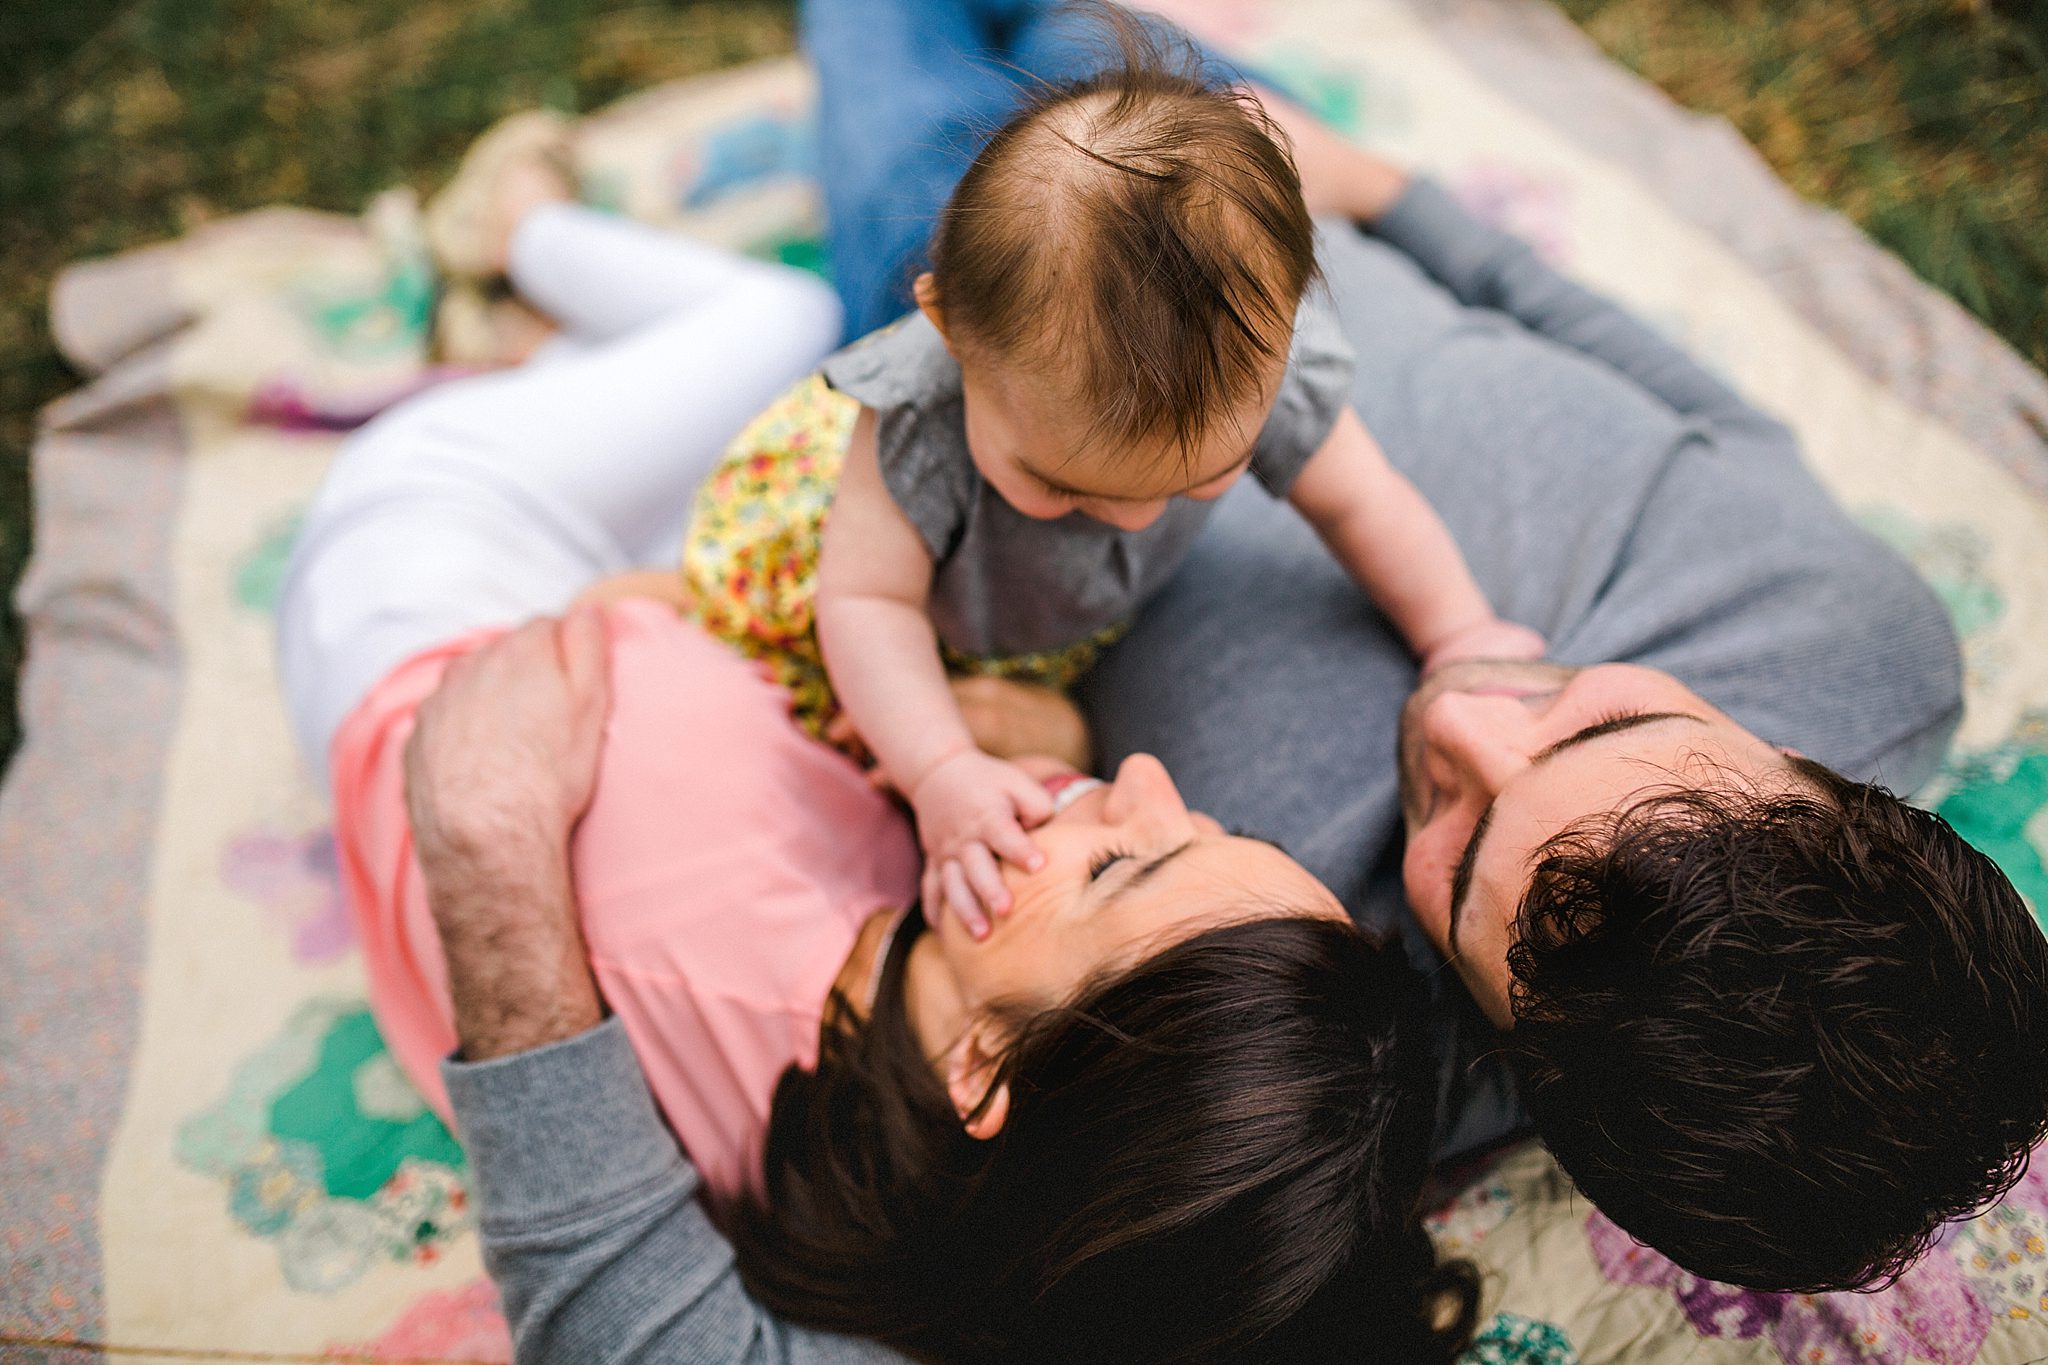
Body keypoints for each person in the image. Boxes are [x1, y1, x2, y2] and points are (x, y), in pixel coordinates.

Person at [380, 0, 2048, 1342]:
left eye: (1452, 849)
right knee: (1089, 45)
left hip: (1007, 348)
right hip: (1250, 202)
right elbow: (1644, 362)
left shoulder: (1280, 1032)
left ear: (1508, 1056)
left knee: (879, 39)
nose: (1456, 703)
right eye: (1598, 706)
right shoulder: (1862, 637)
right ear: (1805, 763)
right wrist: (1378, 191)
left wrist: (500, 860)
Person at [281, 175, 1479, 1360]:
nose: (1148, 774)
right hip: (595, 665)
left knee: (781, 325)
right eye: (1216, 832)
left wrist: (908, 721)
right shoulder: (914, 1178)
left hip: (435, 567)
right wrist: (1031, 755)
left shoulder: (703, 889)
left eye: (1122, 865)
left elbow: (616, 622)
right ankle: (542, 350)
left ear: (983, 1064)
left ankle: (512, 224)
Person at [680, 12, 1540, 935]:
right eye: (1058, 486)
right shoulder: (916, 420)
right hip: (827, 536)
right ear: (948, 335)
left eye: (1198, 480)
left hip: (1024, 346)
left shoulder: (1248, 370)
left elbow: (1365, 502)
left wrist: (1458, 630)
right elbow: (865, 603)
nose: (1130, 525)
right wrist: (940, 772)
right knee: (892, 121)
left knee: (1052, 65)